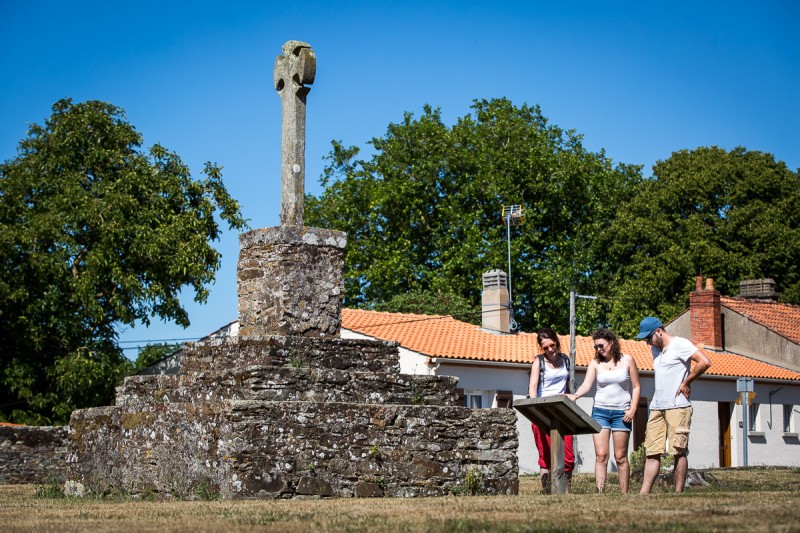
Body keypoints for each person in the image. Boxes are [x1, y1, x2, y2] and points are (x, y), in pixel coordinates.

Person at [635, 316, 712, 493]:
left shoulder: (680, 344)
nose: (647, 343)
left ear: (659, 332)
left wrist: (687, 382)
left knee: (678, 450)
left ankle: (678, 493)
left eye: (649, 338)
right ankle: (643, 494)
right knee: (652, 451)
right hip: (657, 406)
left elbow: (705, 362)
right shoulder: (656, 349)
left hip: (678, 405)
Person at [567, 328, 641, 493]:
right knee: (601, 455)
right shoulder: (595, 363)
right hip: (600, 412)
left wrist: (633, 409)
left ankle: (624, 493)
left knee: (620, 457)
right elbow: (587, 384)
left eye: (601, 345)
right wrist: (576, 395)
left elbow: (636, 387)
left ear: (611, 342)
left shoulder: (627, 360)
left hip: (622, 414)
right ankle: (599, 492)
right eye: (596, 347)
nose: (599, 349)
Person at [528, 327, 574, 492]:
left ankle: (565, 491)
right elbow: (533, 388)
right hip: (542, 411)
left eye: (552, 345)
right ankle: (548, 491)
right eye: (545, 347)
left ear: (557, 341)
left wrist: (571, 398)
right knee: (545, 456)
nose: (550, 350)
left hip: (562, 410)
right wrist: (535, 410)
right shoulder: (538, 362)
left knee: (568, 457)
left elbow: (567, 386)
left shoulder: (565, 360)